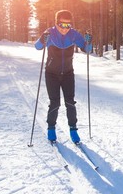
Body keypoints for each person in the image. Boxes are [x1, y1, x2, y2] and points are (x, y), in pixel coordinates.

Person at [34, 10, 92, 143]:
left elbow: (87, 50)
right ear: (56, 23)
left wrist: (88, 42)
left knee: (70, 102)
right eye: (62, 25)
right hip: (51, 74)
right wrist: (43, 38)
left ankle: (73, 129)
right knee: (54, 102)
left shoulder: (74, 35)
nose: (65, 29)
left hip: (67, 74)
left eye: (68, 25)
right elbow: (37, 47)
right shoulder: (49, 33)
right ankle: (51, 128)